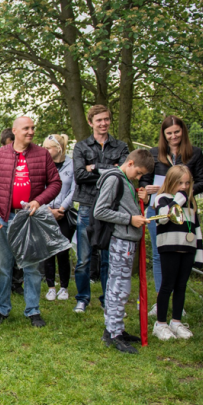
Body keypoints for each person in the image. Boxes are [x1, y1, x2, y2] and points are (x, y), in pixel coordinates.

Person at [0, 116, 62, 327]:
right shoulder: (0, 155)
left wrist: (39, 201)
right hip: (6, 218)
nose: (31, 132)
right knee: (3, 266)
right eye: (26, 128)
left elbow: (55, 183)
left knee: (31, 267)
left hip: (30, 219)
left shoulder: (42, 154)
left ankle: (33, 310)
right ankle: (1, 308)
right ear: (15, 131)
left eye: (33, 128)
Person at [139, 115, 203, 306]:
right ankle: (161, 300)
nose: (173, 136)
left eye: (176, 132)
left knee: (182, 253)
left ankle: (178, 302)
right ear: (163, 134)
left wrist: (185, 191)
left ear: (183, 131)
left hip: (184, 211)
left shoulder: (195, 153)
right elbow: (144, 181)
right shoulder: (154, 154)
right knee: (158, 253)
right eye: (169, 133)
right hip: (159, 210)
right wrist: (147, 189)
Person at [93, 149, 153, 354]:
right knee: (118, 287)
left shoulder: (125, 180)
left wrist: (140, 199)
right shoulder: (114, 179)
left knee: (119, 285)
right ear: (130, 163)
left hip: (127, 240)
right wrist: (130, 220)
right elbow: (100, 211)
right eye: (138, 173)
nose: (138, 178)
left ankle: (114, 329)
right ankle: (114, 332)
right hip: (120, 240)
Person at [71, 105, 130, 313]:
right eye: (99, 120)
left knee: (108, 257)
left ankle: (107, 298)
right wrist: (110, 170)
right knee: (84, 258)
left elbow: (123, 174)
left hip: (112, 206)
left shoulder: (121, 147)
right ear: (90, 122)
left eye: (106, 119)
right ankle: (82, 298)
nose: (103, 123)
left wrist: (94, 167)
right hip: (87, 206)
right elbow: (79, 175)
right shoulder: (81, 147)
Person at [151, 165, 203, 341]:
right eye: (180, 183)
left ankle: (176, 321)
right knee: (167, 285)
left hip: (187, 248)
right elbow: (164, 218)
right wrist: (178, 200)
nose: (184, 187)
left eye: (187, 183)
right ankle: (160, 324)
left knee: (181, 286)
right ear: (171, 181)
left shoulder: (191, 202)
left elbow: (196, 228)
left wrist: (199, 253)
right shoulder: (162, 199)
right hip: (169, 248)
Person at [41, 134, 76, 301]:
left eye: (49, 148)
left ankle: (64, 287)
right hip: (47, 212)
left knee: (63, 251)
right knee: (49, 251)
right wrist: (48, 210)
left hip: (64, 213)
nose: (46, 151)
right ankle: (50, 287)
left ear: (59, 148)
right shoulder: (43, 165)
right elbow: (40, 188)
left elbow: (74, 190)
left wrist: (62, 208)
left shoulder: (72, 164)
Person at [0, 127, 24, 295]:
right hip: (4, 214)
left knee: (21, 253)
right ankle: (4, 288)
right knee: (3, 256)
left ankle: (17, 283)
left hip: (22, 212)